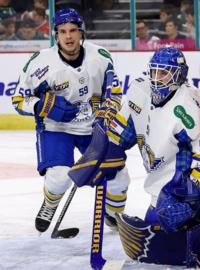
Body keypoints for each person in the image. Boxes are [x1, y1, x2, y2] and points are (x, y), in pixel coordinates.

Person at [72, 47, 200, 267]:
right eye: (154, 72)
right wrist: (105, 150)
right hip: (160, 181)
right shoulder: (140, 90)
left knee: (175, 222)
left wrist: (192, 198)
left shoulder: (188, 107)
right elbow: (125, 129)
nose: (156, 79)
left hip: (187, 178)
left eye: (164, 73)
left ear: (179, 75)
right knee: (158, 235)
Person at [11, 8, 130, 233]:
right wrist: (43, 107)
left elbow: (113, 92)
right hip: (57, 128)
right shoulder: (40, 64)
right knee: (59, 177)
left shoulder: (101, 57)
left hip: (94, 126)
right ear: (55, 35)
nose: (68, 36)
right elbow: (18, 100)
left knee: (119, 175)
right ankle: (50, 203)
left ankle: (114, 214)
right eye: (62, 31)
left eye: (73, 30)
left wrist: (107, 112)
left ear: (81, 32)